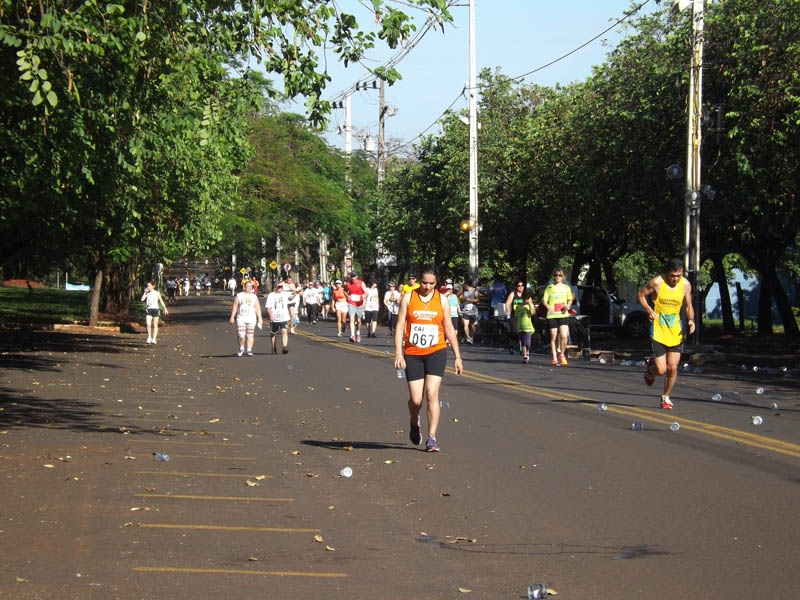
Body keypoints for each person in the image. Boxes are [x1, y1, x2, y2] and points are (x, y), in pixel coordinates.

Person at [394, 265, 463, 452]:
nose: (427, 287)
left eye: (432, 283)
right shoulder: (409, 297)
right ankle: (414, 421)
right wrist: (398, 352)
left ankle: (432, 437)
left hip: (436, 351)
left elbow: (449, 328)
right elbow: (400, 326)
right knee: (416, 400)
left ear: (436, 282)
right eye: (424, 283)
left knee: (432, 394)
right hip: (413, 353)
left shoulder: (442, 300)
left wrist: (457, 356)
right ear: (419, 280)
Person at [638, 257, 695, 410]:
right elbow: (641, 295)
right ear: (667, 273)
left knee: (673, 368)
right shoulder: (657, 282)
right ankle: (650, 371)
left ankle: (666, 397)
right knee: (661, 370)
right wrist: (649, 310)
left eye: (679, 276)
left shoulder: (685, 285)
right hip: (658, 330)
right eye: (672, 276)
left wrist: (691, 320)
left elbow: (688, 305)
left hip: (675, 331)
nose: (675, 279)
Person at [541, 267, 574, 366]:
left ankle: (562, 354)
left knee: (564, 335)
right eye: (556, 275)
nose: (558, 277)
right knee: (553, 337)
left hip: (563, 314)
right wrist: (548, 307)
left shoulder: (566, 287)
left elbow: (570, 299)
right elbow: (544, 300)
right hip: (552, 315)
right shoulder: (550, 287)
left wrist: (568, 306)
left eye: (560, 275)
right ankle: (555, 357)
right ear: (554, 276)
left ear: (563, 277)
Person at [229, 280, 263, 356]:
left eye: (251, 286)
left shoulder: (254, 297)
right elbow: (235, 307)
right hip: (241, 317)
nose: (249, 288)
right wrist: (232, 317)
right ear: (244, 287)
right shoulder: (239, 296)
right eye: (248, 286)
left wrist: (260, 318)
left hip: (251, 318)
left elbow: (257, 308)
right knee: (241, 334)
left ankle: (249, 350)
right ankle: (241, 348)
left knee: (250, 335)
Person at [265, 282, 291, 354]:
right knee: (273, 333)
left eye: (281, 287)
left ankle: (284, 347)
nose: (280, 288)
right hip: (275, 317)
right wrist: (270, 316)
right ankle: (273, 347)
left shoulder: (285, 294)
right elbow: (268, 307)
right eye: (279, 287)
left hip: (284, 317)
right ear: (275, 287)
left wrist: (286, 284)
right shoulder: (271, 295)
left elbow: (294, 291)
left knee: (284, 331)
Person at [140, 280, 168, 345]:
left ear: (153, 286)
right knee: (148, 324)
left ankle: (154, 338)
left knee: (155, 325)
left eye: (149, 285)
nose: (148, 287)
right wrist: (145, 292)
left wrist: (165, 308)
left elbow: (161, 301)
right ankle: (149, 337)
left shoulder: (157, 293)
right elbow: (142, 299)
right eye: (147, 286)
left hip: (155, 309)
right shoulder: (147, 293)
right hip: (149, 309)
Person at [514, 289, 536, 364]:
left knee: (528, 344)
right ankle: (525, 356)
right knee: (523, 342)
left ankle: (527, 351)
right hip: (520, 327)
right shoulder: (518, 307)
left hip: (528, 328)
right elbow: (516, 317)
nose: (525, 300)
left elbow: (532, 313)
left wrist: (530, 304)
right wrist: (515, 326)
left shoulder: (529, 306)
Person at [344, 270, 366, 343]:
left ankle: (358, 333)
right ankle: (352, 335)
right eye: (352, 276)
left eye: (354, 276)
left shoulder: (361, 283)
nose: (353, 278)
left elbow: (366, 293)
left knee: (359, 320)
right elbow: (344, 290)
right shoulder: (348, 284)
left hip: (359, 303)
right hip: (351, 303)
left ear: (357, 276)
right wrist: (347, 296)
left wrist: (363, 296)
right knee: (351, 319)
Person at [459, 279, 479, 344]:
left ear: (467, 284)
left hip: (473, 310)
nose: (463, 286)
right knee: (465, 324)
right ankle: (468, 337)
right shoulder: (464, 291)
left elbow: (478, 300)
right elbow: (458, 297)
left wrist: (469, 299)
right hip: (466, 310)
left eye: (464, 284)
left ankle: (472, 337)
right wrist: (462, 299)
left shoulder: (475, 290)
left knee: (473, 325)